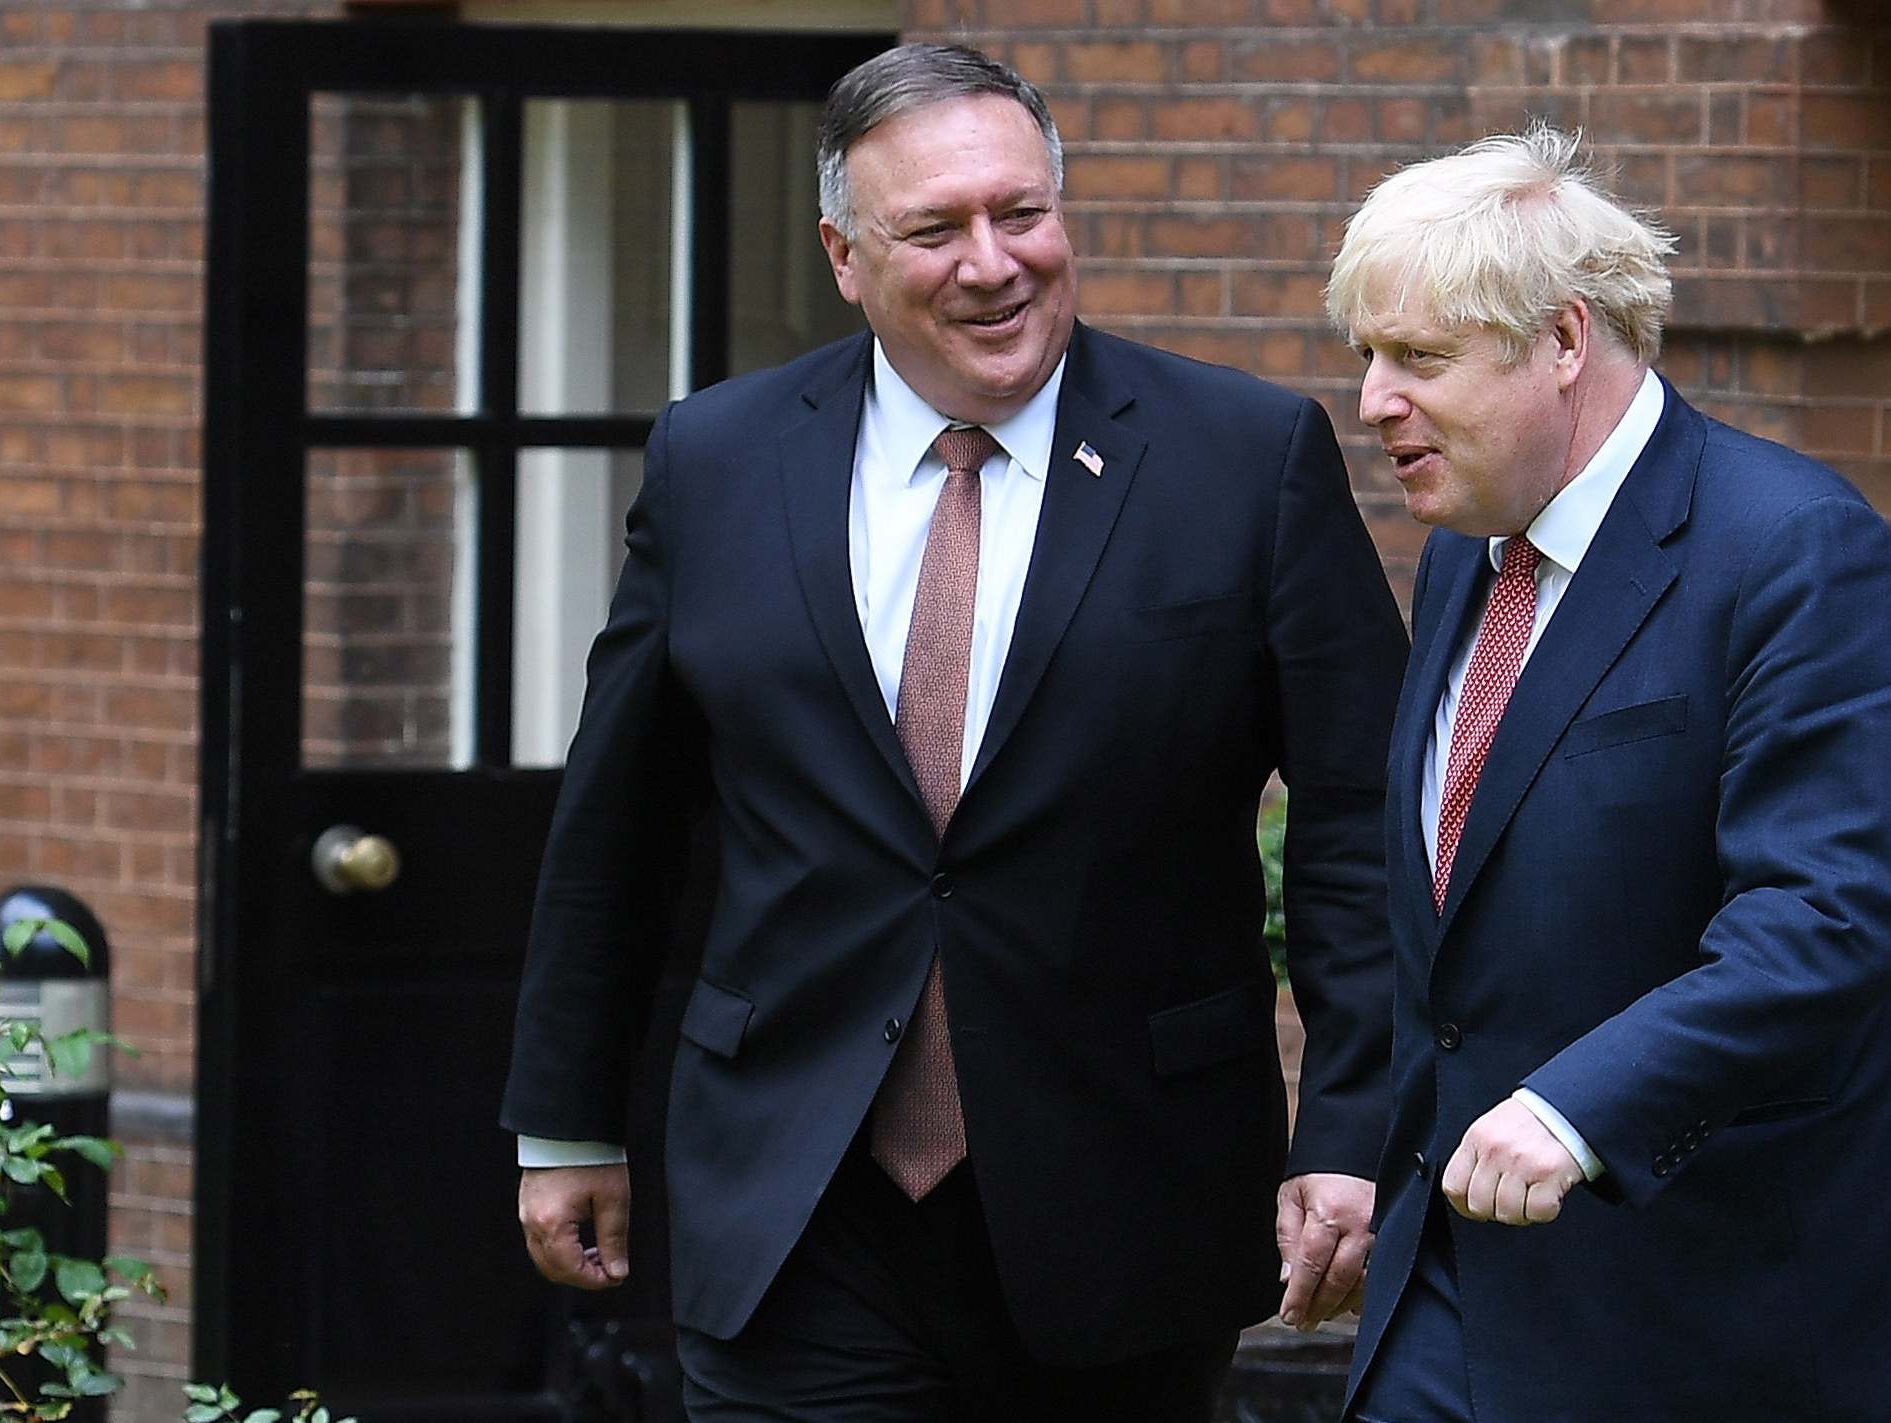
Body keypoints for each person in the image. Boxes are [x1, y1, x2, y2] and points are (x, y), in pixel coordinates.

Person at [501, 42, 1408, 1421]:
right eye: (932, 230)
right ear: (845, 255)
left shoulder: (1243, 459)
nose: (992, 263)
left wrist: (1351, 1127)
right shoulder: (717, 461)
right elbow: (618, 823)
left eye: (1020, 213)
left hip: (1128, 1195)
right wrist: (566, 1118)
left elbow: (1362, 824)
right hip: (797, 1198)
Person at [1322, 125, 1891, 1422]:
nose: (1371, 401)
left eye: (1416, 358)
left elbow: (1821, 920)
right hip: (1454, 1286)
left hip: (1723, 1306)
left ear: (1563, 342)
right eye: (1365, 356)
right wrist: (1365, 1153)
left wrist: (1573, 1114)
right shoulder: (1467, 549)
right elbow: (1451, 916)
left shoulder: (1794, 551)